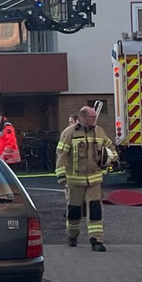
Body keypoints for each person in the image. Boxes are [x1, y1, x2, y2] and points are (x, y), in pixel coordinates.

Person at [56, 105, 117, 252]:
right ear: (83, 117)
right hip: (75, 180)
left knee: (95, 209)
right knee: (74, 210)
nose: (95, 119)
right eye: (92, 117)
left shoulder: (99, 131)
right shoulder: (69, 133)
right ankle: (72, 235)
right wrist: (61, 174)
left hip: (94, 179)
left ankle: (96, 240)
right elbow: (61, 154)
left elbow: (110, 148)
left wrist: (114, 159)